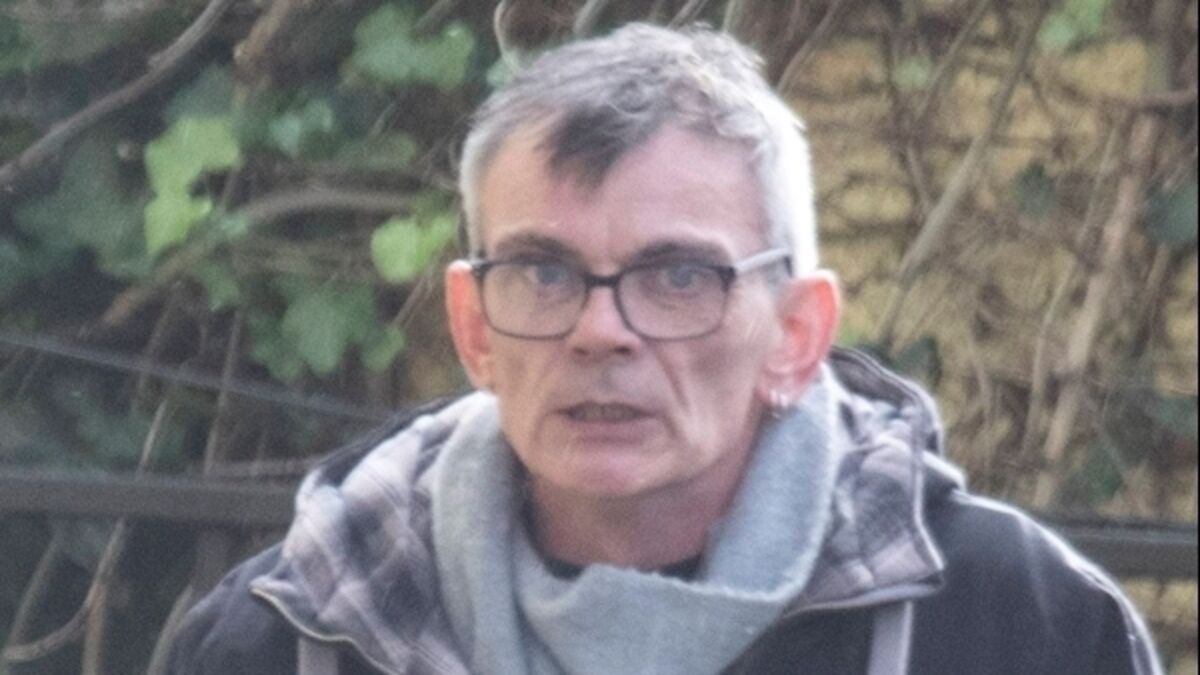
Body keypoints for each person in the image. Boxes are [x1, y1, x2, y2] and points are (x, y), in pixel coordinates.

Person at [166, 23, 1162, 675]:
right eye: (543, 272)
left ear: (797, 335)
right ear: (473, 329)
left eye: (678, 276)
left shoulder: (1014, 628)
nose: (601, 331)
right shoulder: (289, 638)